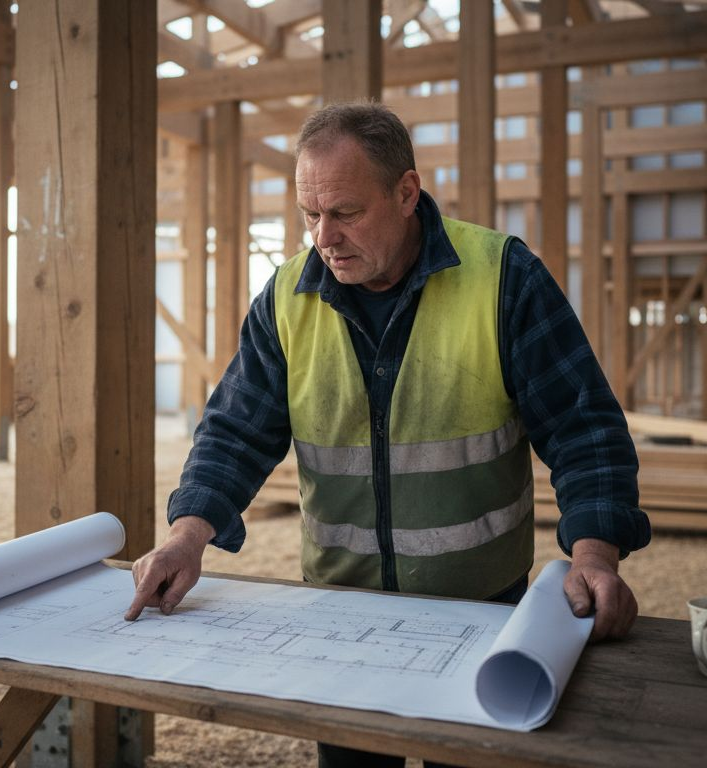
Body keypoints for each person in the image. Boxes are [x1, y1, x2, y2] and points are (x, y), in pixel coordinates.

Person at [125, 101, 651, 767]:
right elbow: (234, 431)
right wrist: (186, 535)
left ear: (406, 193)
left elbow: (584, 428)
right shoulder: (286, 299)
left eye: (345, 212)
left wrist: (595, 556)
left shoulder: (504, 279)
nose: (324, 236)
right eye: (309, 214)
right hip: (339, 617)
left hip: (482, 613)